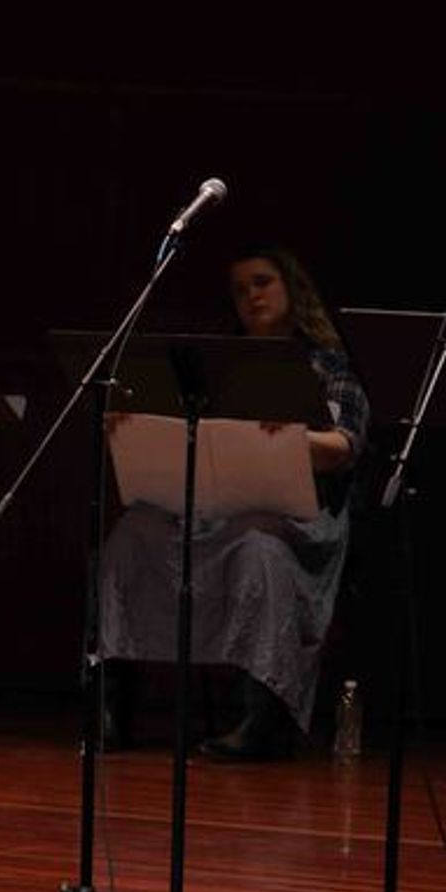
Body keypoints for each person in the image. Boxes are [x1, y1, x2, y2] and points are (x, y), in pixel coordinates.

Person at [99, 246, 369, 760]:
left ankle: (259, 717)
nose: (252, 296)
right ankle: (111, 704)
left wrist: (293, 439)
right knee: (134, 534)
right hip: (212, 509)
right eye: (241, 289)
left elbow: (345, 446)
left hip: (295, 522)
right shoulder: (215, 366)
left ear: (293, 288)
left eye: (263, 282)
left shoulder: (325, 364)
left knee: (258, 548)